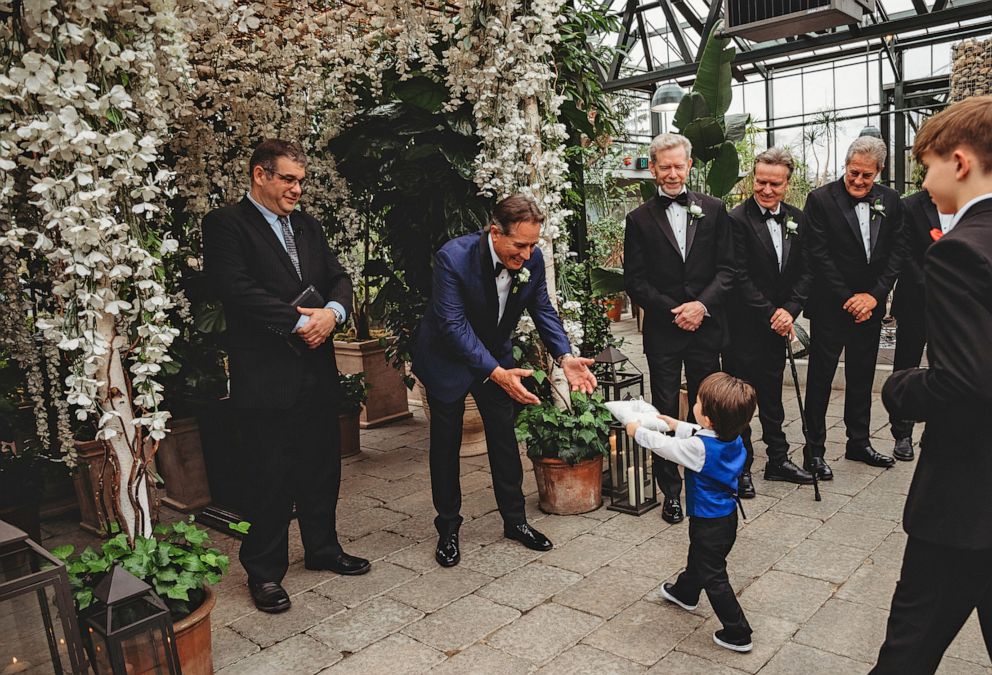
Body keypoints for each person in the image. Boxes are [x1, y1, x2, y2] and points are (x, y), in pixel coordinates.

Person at [202, 139, 369, 614]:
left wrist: (333, 313)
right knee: (268, 473)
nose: (297, 189)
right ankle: (264, 571)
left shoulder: (309, 227)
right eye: (288, 179)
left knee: (321, 466)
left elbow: (339, 277)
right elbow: (234, 288)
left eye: (301, 180)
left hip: (317, 368)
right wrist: (301, 321)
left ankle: (323, 549)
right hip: (266, 373)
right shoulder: (225, 225)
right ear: (260, 174)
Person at [411, 194, 598, 568]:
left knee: (503, 438)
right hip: (447, 358)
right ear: (495, 232)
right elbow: (452, 325)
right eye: (519, 245)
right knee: (445, 446)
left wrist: (564, 356)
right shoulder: (453, 257)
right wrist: (495, 373)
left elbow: (542, 308)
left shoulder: (533, 259)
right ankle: (448, 528)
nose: (527, 254)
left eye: (533, 245)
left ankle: (515, 521)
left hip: (496, 356)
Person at [872, 96, 992, 673]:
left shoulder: (962, 252)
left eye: (927, 164)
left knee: (907, 653)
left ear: (961, 162)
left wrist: (901, 387)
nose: (924, 178)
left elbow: (963, 383)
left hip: (967, 497)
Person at [623, 132, 735, 524]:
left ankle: (713, 478)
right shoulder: (638, 219)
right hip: (665, 331)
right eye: (664, 166)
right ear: (652, 169)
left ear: (690, 165)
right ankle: (671, 490)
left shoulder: (715, 209)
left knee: (713, 407)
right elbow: (635, 281)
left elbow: (728, 269)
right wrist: (676, 311)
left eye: (678, 165)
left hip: (705, 327)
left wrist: (701, 306)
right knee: (664, 407)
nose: (672, 173)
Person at [626, 372, 757, 653]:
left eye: (697, 402)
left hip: (709, 521)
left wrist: (638, 432)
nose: (694, 404)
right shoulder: (733, 437)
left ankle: (738, 631)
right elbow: (700, 434)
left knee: (714, 574)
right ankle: (685, 592)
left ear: (709, 417)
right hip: (725, 518)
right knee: (700, 557)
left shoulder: (699, 449)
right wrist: (675, 424)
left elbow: (668, 447)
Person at [801, 136, 904, 480]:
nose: (859, 181)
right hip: (831, 305)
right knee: (820, 380)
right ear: (845, 166)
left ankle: (858, 442)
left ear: (879, 173)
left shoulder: (891, 200)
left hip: (870, 306)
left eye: (867, 176)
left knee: (862, 375)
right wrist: (848, 297)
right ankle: (813, 450)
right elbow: (819, 255)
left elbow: (896, 253)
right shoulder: (819, 199)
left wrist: (874, 296)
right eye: (853, 173)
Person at [724, 148, 814, 497]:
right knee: (742, 401)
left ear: (787, 184)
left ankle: (778, 459)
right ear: (753, 178)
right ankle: (741, 468)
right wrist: (771, 313)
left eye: (774, 184)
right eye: (760, 181)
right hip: (744, 328)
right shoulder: (736, 219)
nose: (766, 189)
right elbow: (738, 275)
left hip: (779, 326)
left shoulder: (797, 218)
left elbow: (807, 271)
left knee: (773, 398)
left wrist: (790, 310)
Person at [887, 188, 954, 462]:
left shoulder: (967, 202)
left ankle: (936, 428)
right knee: (907, 363)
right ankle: (902, 432)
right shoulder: (910, 206)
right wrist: (935, 283)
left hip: (956, 303)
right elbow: (903, 253)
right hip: (916, 300)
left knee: (948, 366)